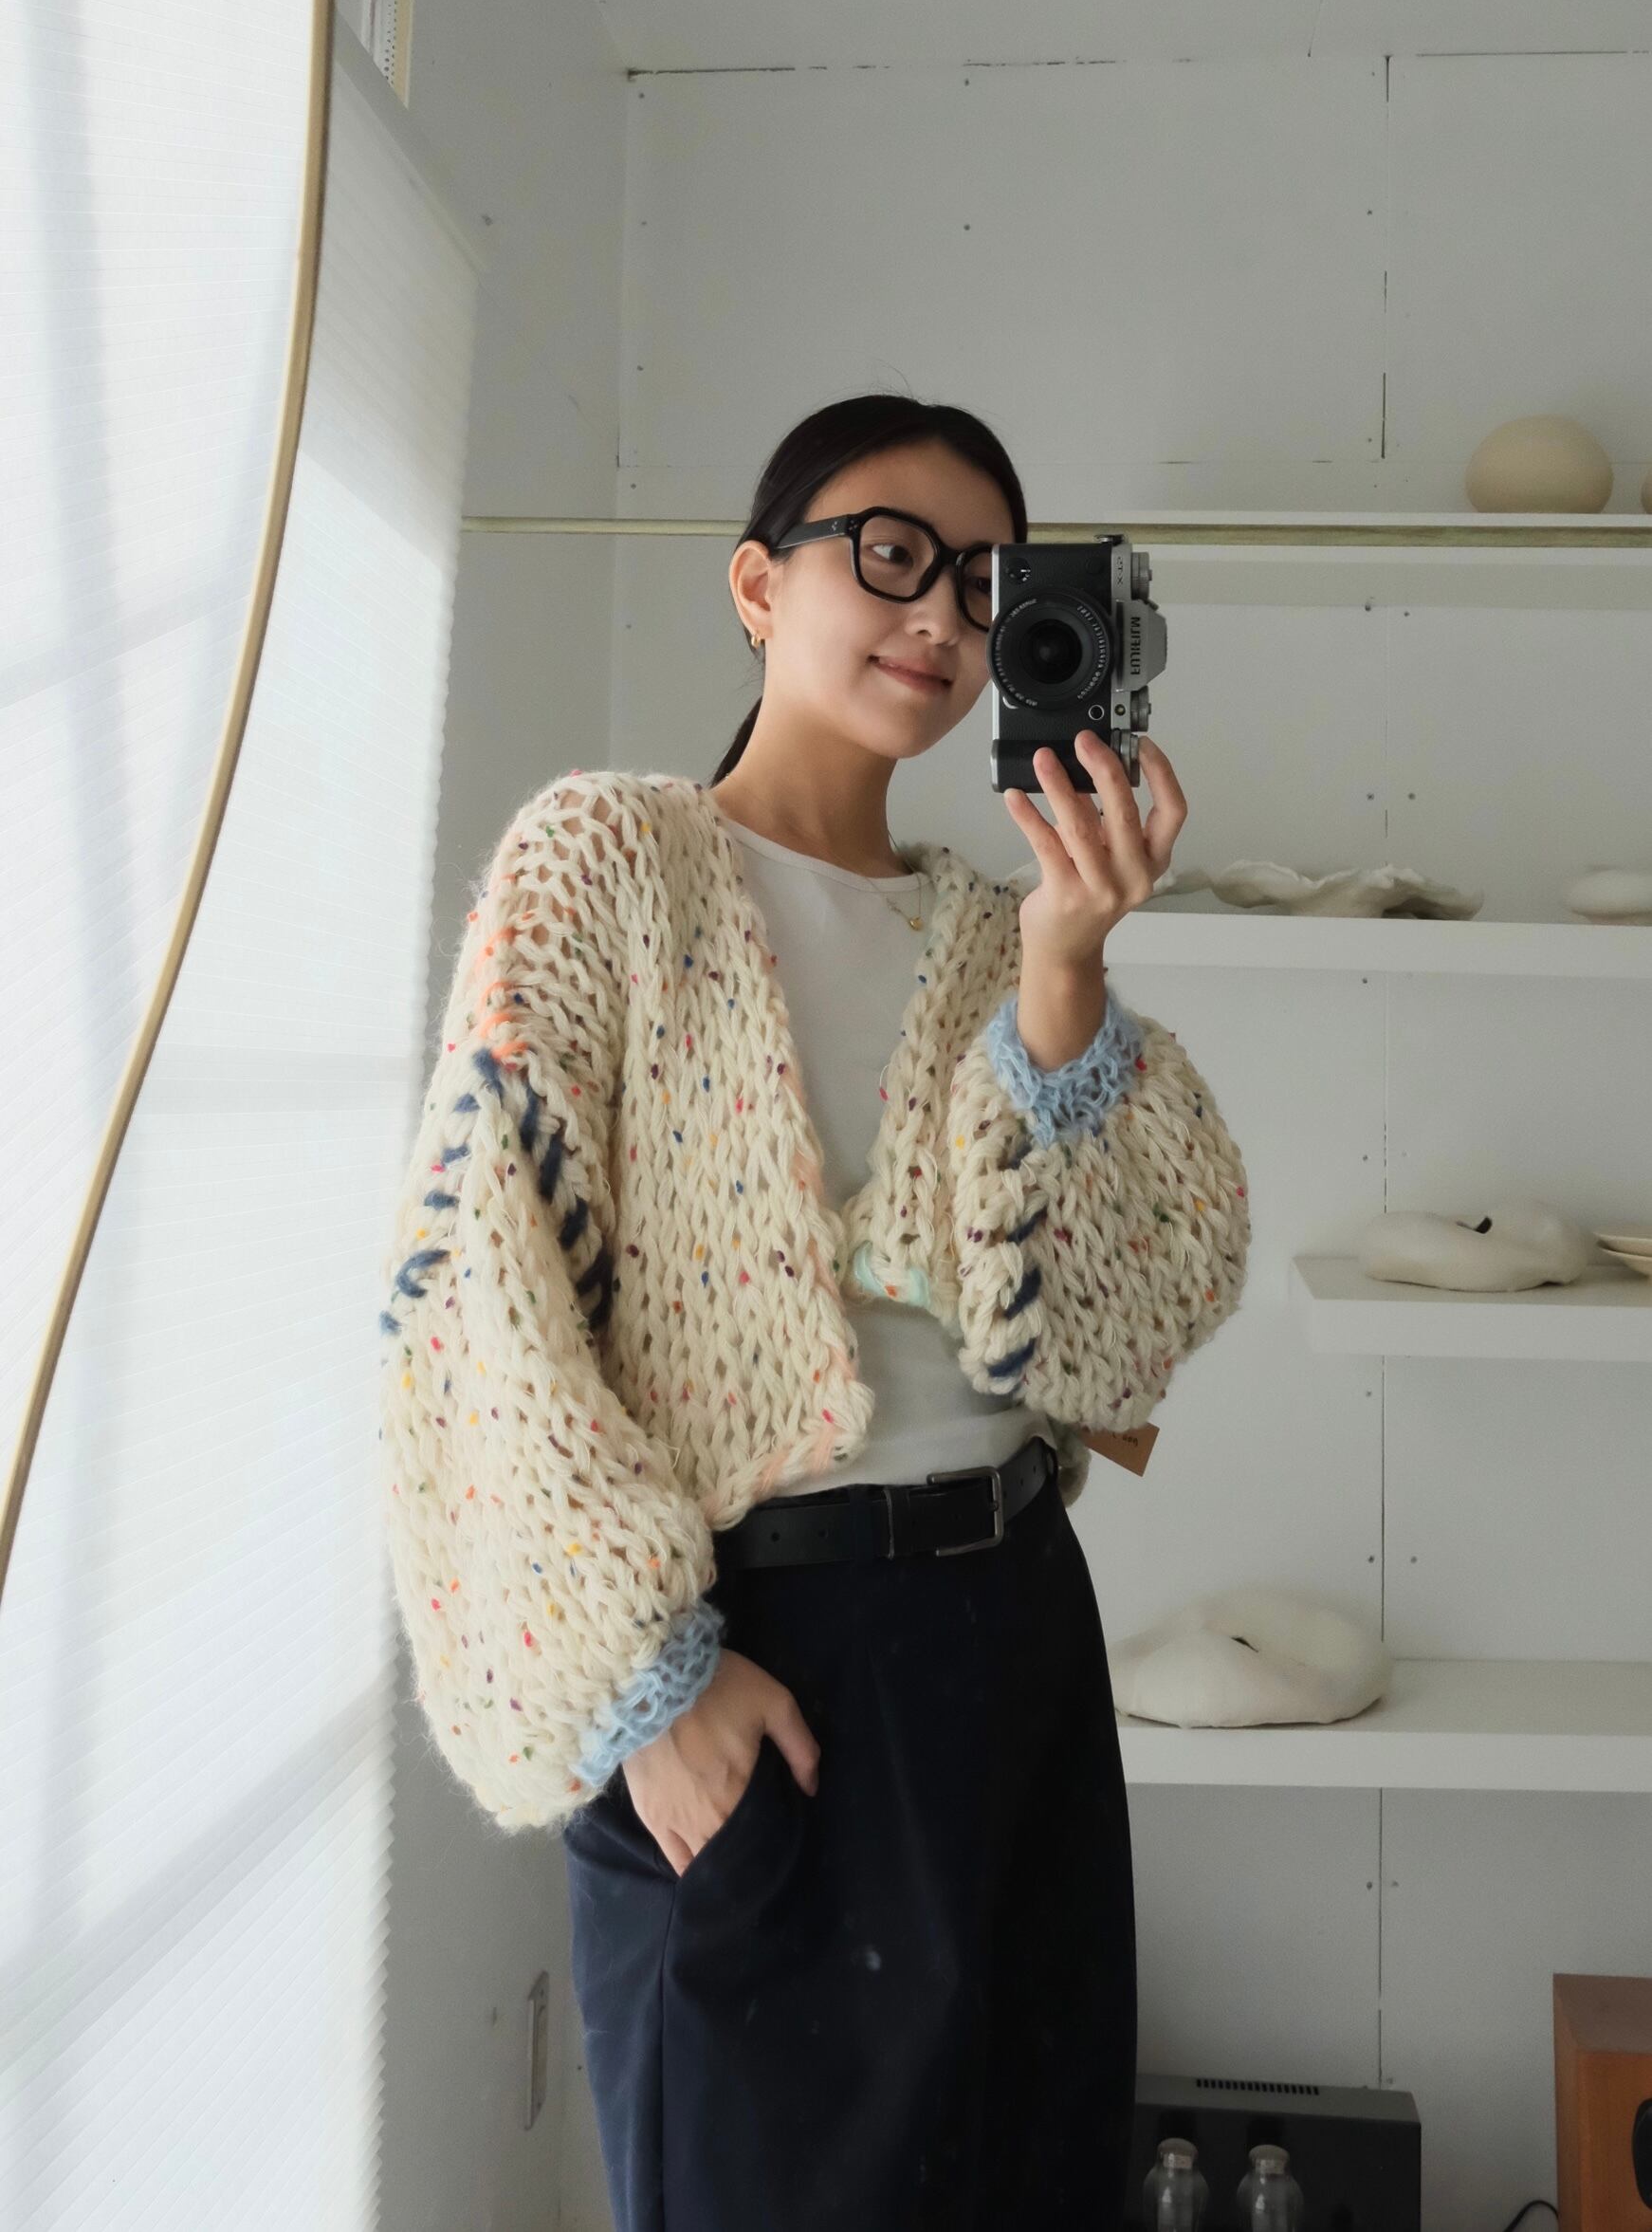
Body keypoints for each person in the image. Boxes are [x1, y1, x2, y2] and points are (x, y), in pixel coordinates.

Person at [377, 393, 1252, 2232]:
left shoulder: (993, 928)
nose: (939, 612)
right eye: (891, 552)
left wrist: (1069, 968)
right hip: (752, 1657)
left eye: (985, 580)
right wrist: (647, 1687)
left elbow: (1120, 1323)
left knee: (1031, 2181)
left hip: (1013, 1636)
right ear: (757, 584)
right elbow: (474, 1288)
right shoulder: (608, 860)